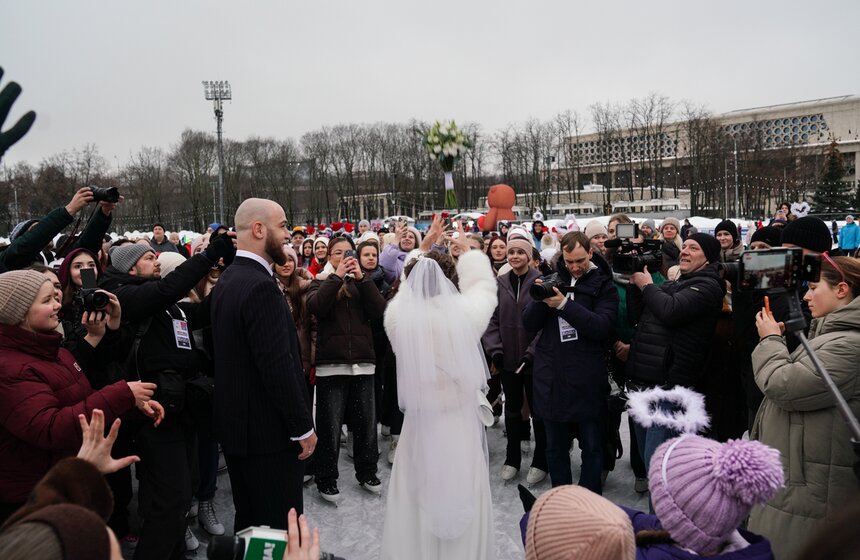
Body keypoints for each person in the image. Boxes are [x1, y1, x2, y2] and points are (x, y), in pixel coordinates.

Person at [101, 237, 232, 559]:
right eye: (149, 257)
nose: (157, 261)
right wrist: (209, 255)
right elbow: (165, 290)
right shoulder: (121, 295)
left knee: (178, 495)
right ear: (132, 266)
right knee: (168, 500)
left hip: (180, 408)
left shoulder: (167, 306)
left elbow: (201, 314)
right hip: (153, 413)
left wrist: (235, 275)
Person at [0, 270, 161, 524]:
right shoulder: (9, 367)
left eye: (55, 298)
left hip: (66, 481)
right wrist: (121, 393)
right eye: (46, 301)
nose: (57, 306)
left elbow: (79, 399)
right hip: (34, 499)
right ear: (18, 313)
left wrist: (131, 402)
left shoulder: (54, 351)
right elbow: (50, 427)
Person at [380, 243, 497, 560]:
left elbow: (405, 295)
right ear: (451, 279)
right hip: (458, 422)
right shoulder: (465, 315)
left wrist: (416, 269)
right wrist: (472, 256)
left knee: (417, 490)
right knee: (462, 489)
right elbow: (486, 290)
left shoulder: (398, 320)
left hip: (421, 423)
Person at [211, 198, 316, 530]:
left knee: (251, 529)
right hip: (268, 438)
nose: (288, 234)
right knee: (276, 534)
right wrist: (302, 427)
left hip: (242, 434)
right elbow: (277, 367)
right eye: (283, 225)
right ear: (259, 229)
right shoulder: (258, 286)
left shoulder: (230, 279)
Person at [748, 254, 860, 558]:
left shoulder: (850, 344)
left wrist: (770, 340)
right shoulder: (830, 333)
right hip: (805, 481)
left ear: (842, 290)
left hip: (813, 491)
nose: (807, 296)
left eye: (813, 287)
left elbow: (784, 386)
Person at [522, 231, 618, 493]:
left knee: (592, 446)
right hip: (553, 377)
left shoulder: (603, 284)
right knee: (555, 447)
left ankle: (587, 501)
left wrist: (564, 304)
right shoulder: (554, 278)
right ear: (561, 256)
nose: (574, 266)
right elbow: (528, 324)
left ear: (590, 253)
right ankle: (561, 500)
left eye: (579, 260)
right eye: (569, 261)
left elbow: (601, 328)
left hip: (587, 378)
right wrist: (543, 298)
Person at [625, 233, 724, 470]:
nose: (685, 251)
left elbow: (671, 311)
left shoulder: (708, 286)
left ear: (708, 259)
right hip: (644, 384)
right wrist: (634, 286)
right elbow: (636, 317)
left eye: (694, 248)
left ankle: (665, 508)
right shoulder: (672, 284)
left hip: (670, 388)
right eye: (685, 246)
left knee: (660, 465)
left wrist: (647, 285)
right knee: (648, 461)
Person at [307, 236, 386, 502]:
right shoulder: (320, 281)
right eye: (337, 253)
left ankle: (367, 472)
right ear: (329, 256)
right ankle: (326, 478)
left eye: (347, 253)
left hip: (363, 363)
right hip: (331, 364)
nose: (344, 257)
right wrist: (337, 277)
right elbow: (316, 307)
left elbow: (379, 310)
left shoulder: (363, 283)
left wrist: (362, 279)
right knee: (329, 427)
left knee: (365, 424)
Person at [482, 237, 547, 485]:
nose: (515, 256)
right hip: (507, 358)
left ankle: (541, 460)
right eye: (512, 252)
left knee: (538, 411)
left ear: (529, 256)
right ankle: (512, 458)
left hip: (534, 360)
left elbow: (544, 324)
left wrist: (532, 353)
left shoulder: (539, 282)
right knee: (512, 410)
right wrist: (495, 349)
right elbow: (491, 319)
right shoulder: (499, 284)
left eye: (521, 252)